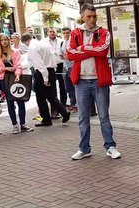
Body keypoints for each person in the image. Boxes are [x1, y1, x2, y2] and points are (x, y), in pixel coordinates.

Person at [67, 3, 121, 160]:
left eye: (94, 16)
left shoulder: (104, 32)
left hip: (99, 80)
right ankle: (84, 148)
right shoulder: (75, 33)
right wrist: (91, 50)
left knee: (104, 115)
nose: (92, 19)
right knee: (83, 117)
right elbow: (70, 54)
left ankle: (110, 146)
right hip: (81, 81)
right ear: (82, 16)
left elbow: (103, 50)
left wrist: (82, 48)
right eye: (89, 16)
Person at [20, 33, 70, 127]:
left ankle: (46, 119)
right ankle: (64, 112)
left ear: (25, 41)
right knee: (51, 96)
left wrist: (45, 78)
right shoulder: (43, 43)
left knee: (41, 98)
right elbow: (51, 59)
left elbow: (39, 64)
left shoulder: (31, 48)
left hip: (42, 72)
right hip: (50, 70)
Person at [0, 33, 34, 134]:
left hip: (15, 78)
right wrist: (5, 68)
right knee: (10, 103)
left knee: (21, 101)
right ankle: (15, 125)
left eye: (6, 39)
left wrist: (18, 75)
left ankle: (23, 124)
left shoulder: (15, 52)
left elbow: (18, 66)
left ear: (9, 40)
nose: (4, 42)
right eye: (2, 40)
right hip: (4, 80)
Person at [60, 27, 77, 113]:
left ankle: (76, 104)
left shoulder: (73, 42)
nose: (66, 35)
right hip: (65, 66)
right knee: (68, 87)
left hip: (73, 66)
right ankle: (72, 103)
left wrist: (68, 56)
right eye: (64, 33)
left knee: (75, 86)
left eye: (67, 33)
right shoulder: (63, 43)